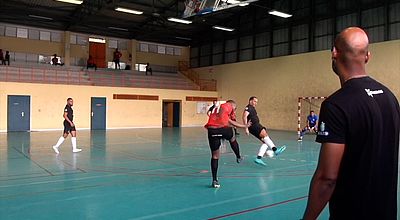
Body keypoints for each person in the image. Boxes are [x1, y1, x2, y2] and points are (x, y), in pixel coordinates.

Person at [302, 27, 400, 220]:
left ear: (334, 53)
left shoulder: (335, 105)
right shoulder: (390, 97)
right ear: (368, 56)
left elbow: (327, 178)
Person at [205, 100, 251, 188]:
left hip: (211, 130)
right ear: (232, 105)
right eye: (235, 108)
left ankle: (215, 180)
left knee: (215, 156)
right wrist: (244, 126)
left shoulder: (215, 108)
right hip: (222, 129)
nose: (234, 110)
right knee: (232, 138)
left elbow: (213, 115)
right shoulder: (228, 106)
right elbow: (230, 122)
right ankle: (238, 156)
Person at [242, 96, 286, 166]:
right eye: (254, 101)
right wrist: (246, 127)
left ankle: (259, 158)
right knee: (265, 136)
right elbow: (244, 116)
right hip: (254, 126)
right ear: (250, 101)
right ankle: (275, 150)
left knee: (265, 142)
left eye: (256, 102)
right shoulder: (248, 107)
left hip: (255, 126)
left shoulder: (252, 108)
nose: (255, 103)